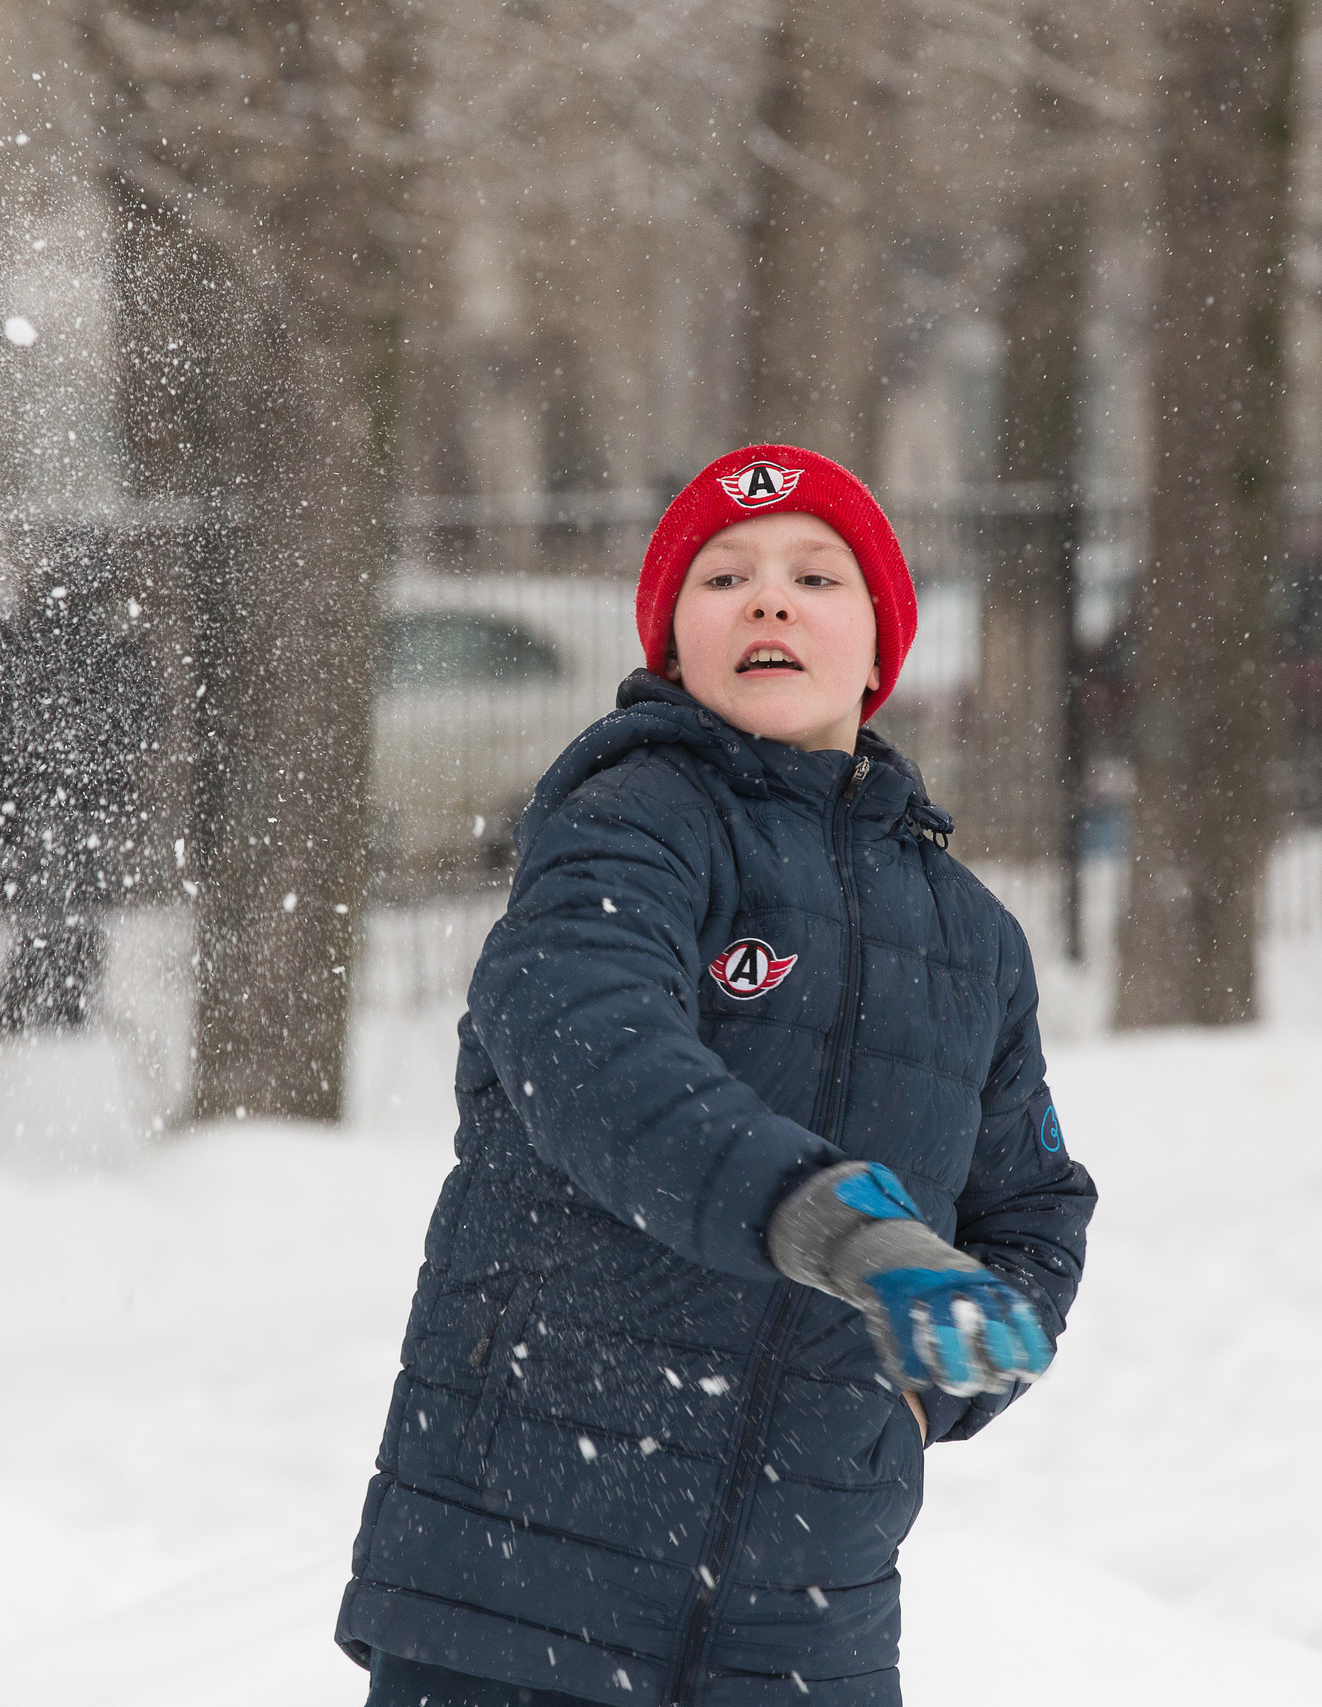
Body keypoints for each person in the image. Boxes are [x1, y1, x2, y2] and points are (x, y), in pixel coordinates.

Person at [337, 445, 1096, 1707]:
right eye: (723, 576)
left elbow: (1031, 1208)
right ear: (672, 645)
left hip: (808, 1626)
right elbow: (591, 1050)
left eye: (816, 574)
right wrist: (835, 1226)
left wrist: (930, 1388)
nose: (768, 598)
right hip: (523, 1584)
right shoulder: (625, 825)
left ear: (878, 649)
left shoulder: (971, 939)